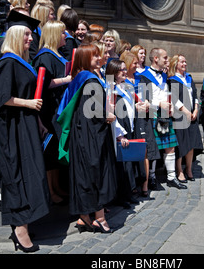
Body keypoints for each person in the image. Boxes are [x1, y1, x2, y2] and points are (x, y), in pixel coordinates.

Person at [0, 12, 49, 253]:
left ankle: (25, 221)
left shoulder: (22, 62)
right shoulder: (7, 62)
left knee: (30, 173)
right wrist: (28, 104)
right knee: (16, 173)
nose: (31, 39)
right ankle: (19, 228)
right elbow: (0, 98)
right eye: (26, 35)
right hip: (12, 130)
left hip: (26, 125)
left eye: (30, 35)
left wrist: (38, 120)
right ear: (14, 36)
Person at [57, 44, 117, 233]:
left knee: (82, 174)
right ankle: (99, 218)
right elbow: (94, 113)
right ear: (84, 59)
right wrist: (108, 116)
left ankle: (84, 217)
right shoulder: (90, 81)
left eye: (99, 55)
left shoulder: (79, 79)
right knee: (95, 172)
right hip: (91, 136)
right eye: (94, 56)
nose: (99, 58)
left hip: (80, 134)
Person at [32, 21, 72, 205]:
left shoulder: (57, 54)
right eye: (62, 33)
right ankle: (50, 191)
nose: (66, 36)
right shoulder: (45, 57)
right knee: (49, 153)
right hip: (49, 110)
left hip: (59, 109)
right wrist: (66, 79)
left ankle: (56, 186)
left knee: (56, 151)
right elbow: (43, 84)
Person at [139, 48, 187, 190]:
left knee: (169, 146)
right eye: (165, 58)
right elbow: (143, 99)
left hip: (164, 115)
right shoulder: (144, 76)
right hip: (151, 116)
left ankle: (171, 177)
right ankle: (152, 177)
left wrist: (173, 106)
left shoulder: (165, 76)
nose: (167, 60)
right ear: (155, 59)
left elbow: (167, 94)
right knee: (153, 148)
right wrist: (158, 104)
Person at [106, 60, 145, 207]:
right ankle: (121, 196)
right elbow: (111, 112)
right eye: (121, 70)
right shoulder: (111, 88)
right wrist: (119, 134)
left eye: (124, 69)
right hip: (119, 127)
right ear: (114, 72)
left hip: (130, 126)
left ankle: (130, 192)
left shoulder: (126, 87)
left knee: (130, 163)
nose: (124, 71)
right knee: (122, 164)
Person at [168, 55, 203, 179]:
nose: (184, 64)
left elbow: (194, 94)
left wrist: (196, 109)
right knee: (182, 143)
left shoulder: (189, 78)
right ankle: (180, 171)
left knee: (191, 143)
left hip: (192, 115)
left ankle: (189, 169)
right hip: (180, 116)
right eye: (182, 62)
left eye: (185, 62)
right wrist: (186, 112)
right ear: (175, 64)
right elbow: (174, 99)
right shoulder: (172, 79)